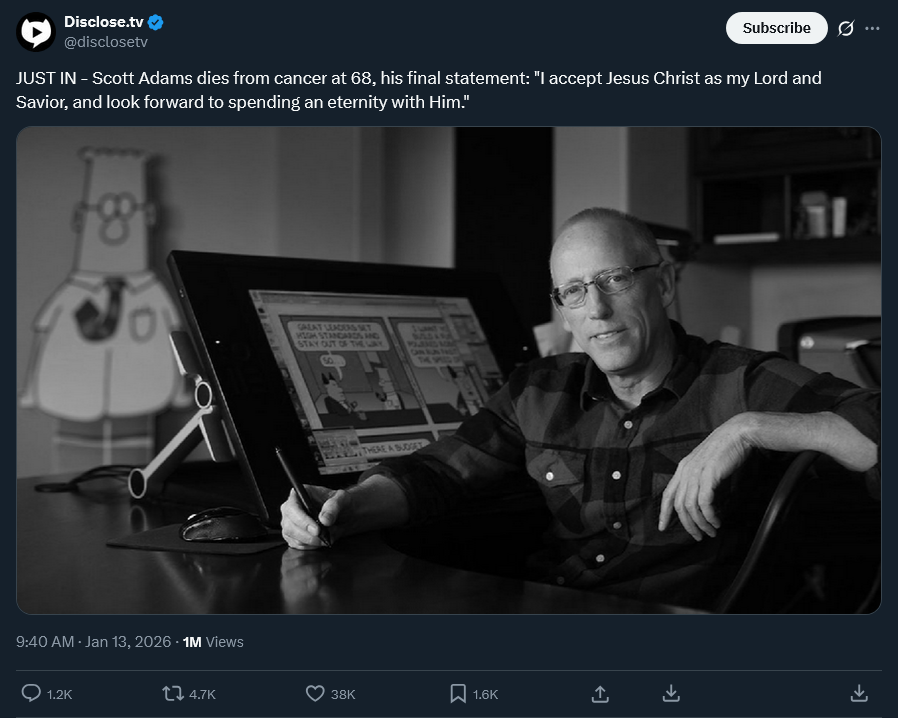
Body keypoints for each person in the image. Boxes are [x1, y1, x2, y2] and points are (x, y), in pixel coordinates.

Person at [281, 207, 880, 609]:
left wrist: (748, 428)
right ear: (563, 311)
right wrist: (345, 507)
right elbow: (439, 472)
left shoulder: (740, 381)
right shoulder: (539, 389)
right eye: (573, 291)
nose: (596, 309)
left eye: (615, 280)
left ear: (663, 285)